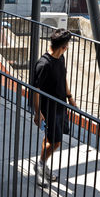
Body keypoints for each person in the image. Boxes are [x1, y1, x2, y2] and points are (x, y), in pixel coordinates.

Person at [32, 28, 77, 186]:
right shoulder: (43, 64)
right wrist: (38, 113)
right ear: (64, 46)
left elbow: (63, 77)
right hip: (48, 109)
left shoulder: (61, 57)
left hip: (60, 105)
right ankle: (40, 166)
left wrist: (70, 98)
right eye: (67, 45)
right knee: (56, 142)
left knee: (51, 138)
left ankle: (42, 164)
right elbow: (35, 91)